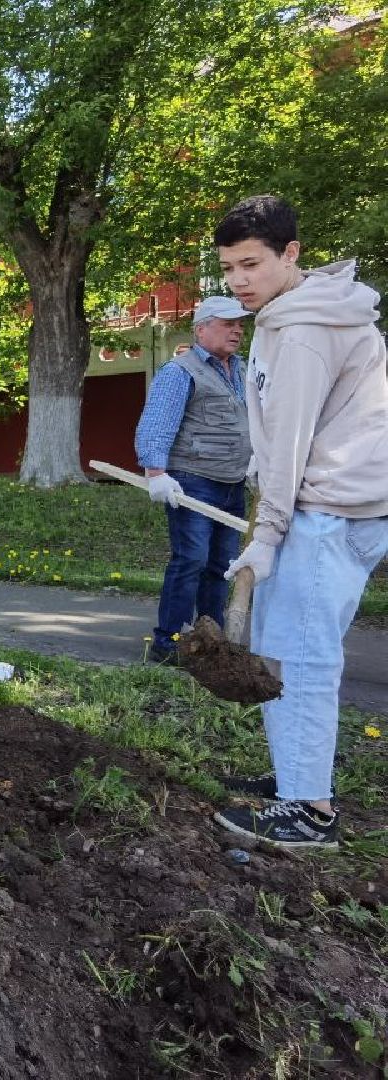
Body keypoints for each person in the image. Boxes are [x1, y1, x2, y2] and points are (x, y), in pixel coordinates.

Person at [208, 195, 388, 849]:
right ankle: (295, 778)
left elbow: (288, 442)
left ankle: (309, 812)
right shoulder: (293, 314)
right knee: (287, 646)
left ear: (291, 254)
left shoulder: (308, 330)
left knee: (303, 658)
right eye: (228, 268)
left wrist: (266, 535)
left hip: (326, 513)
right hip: (334, 506)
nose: (238, 281)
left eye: (251, 264)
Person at [134, 295, 254, 664]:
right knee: (192, 560)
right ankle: (168, 642)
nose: (237, 330)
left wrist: (257, 461)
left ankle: (210, 641)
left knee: (222, 564)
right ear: (202, 329)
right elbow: (156, 422)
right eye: (227, 323)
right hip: (193, 482)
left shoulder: (243, 369)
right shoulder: (180, 371)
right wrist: (156, 472)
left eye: (240, 324)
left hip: (233, 483)